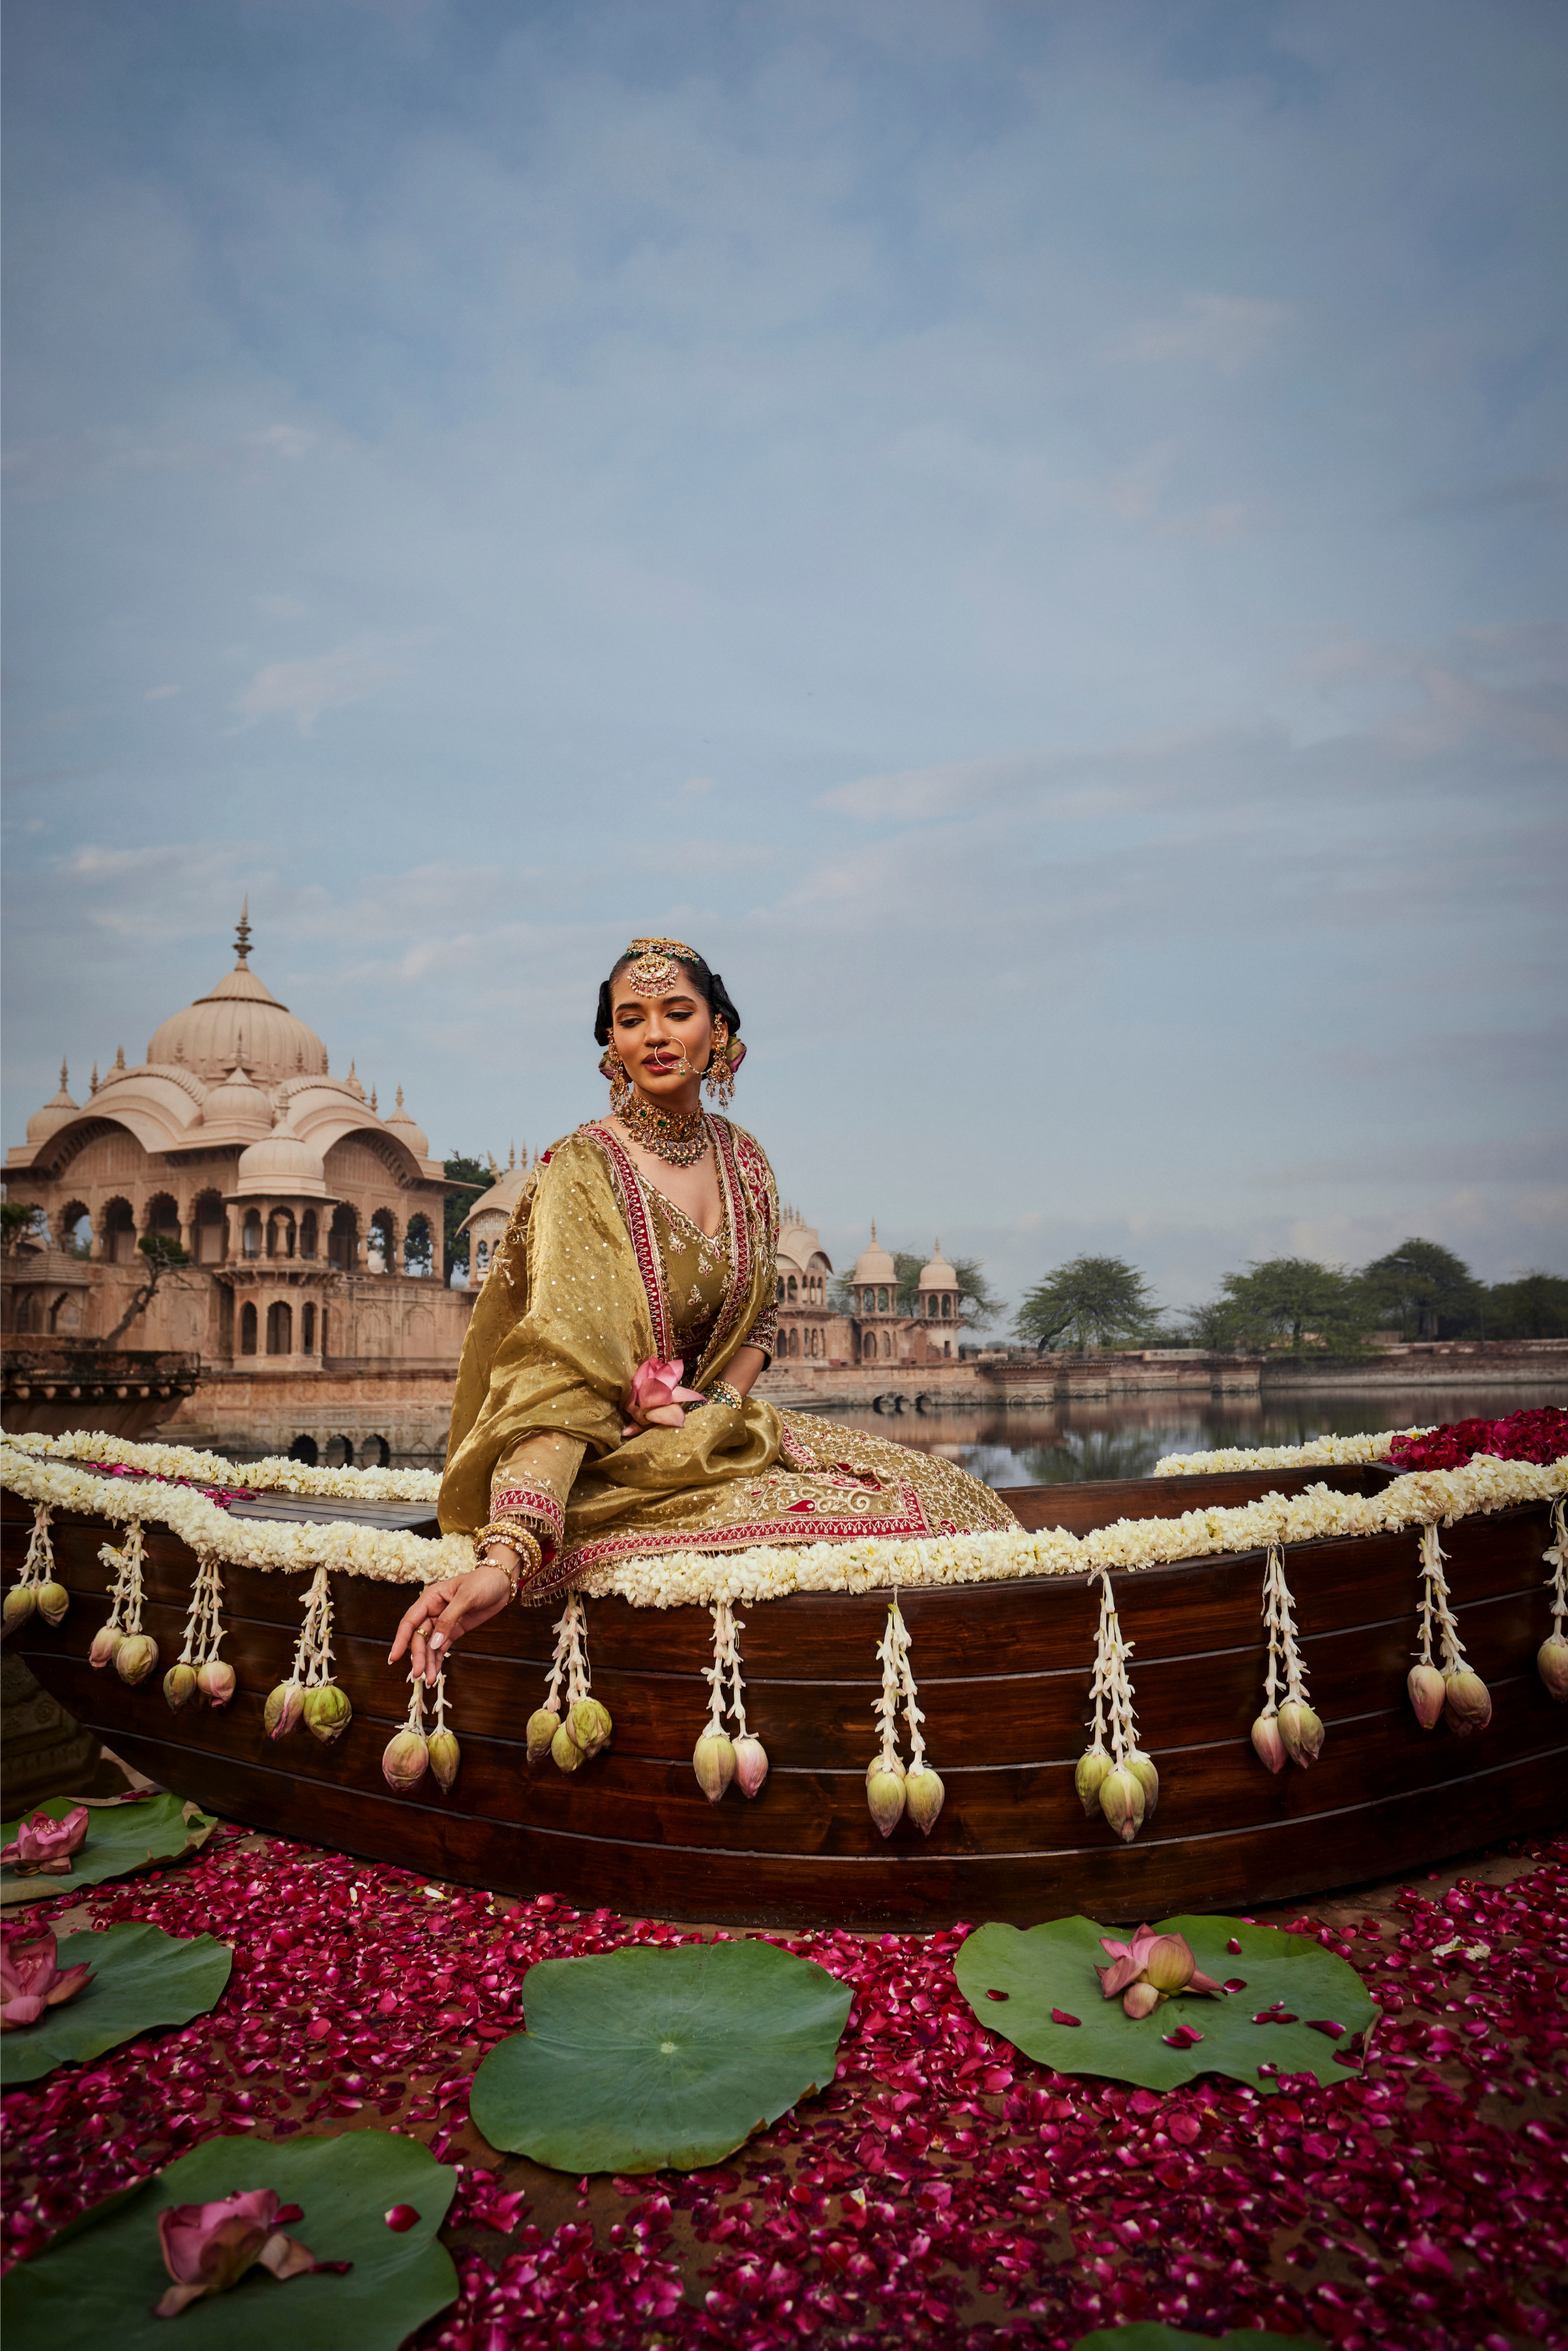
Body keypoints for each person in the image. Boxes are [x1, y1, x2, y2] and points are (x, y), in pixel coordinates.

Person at [390, 936, 1016, 1681]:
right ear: (611, 1047)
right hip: (606, 1459)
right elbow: (559, 1373)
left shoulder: (745, 1161)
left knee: (952, 1494)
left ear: (717, 1031)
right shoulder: (582, 1170)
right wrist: (510, 1552)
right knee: (889, 1529)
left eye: (676, 1012)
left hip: (719, 1430)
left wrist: (717, 1406)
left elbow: (759, 1321)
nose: (654, 1034)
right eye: (631, 1019)